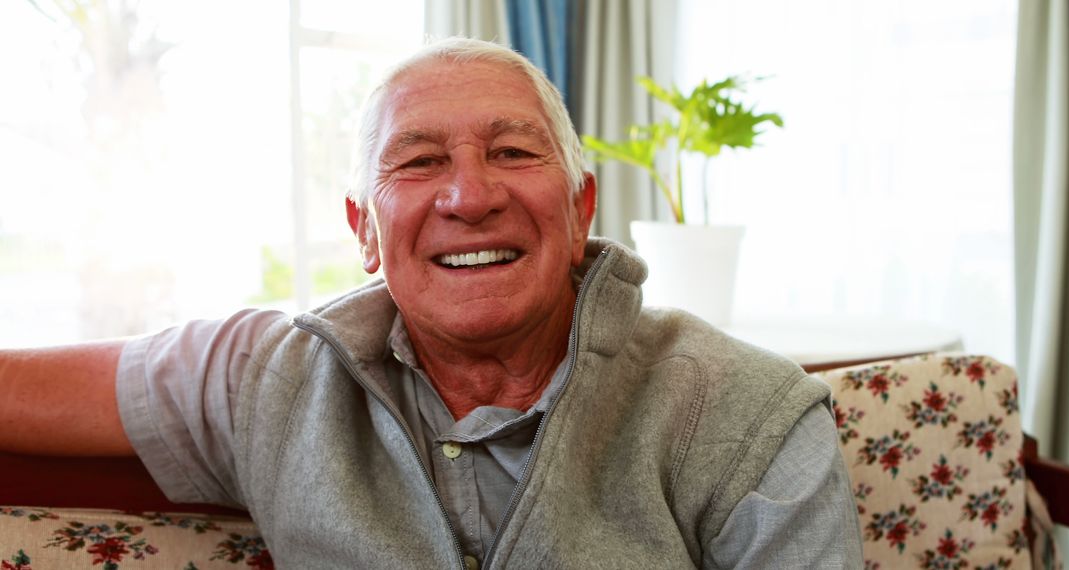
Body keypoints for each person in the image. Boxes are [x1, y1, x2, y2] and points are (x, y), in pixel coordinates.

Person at [0, 38, 862, 568]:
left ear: (580, 207)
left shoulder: (751, 415)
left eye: (514, 151)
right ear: (365, 232)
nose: (469, 195)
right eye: (416, 163)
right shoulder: (264, 378)